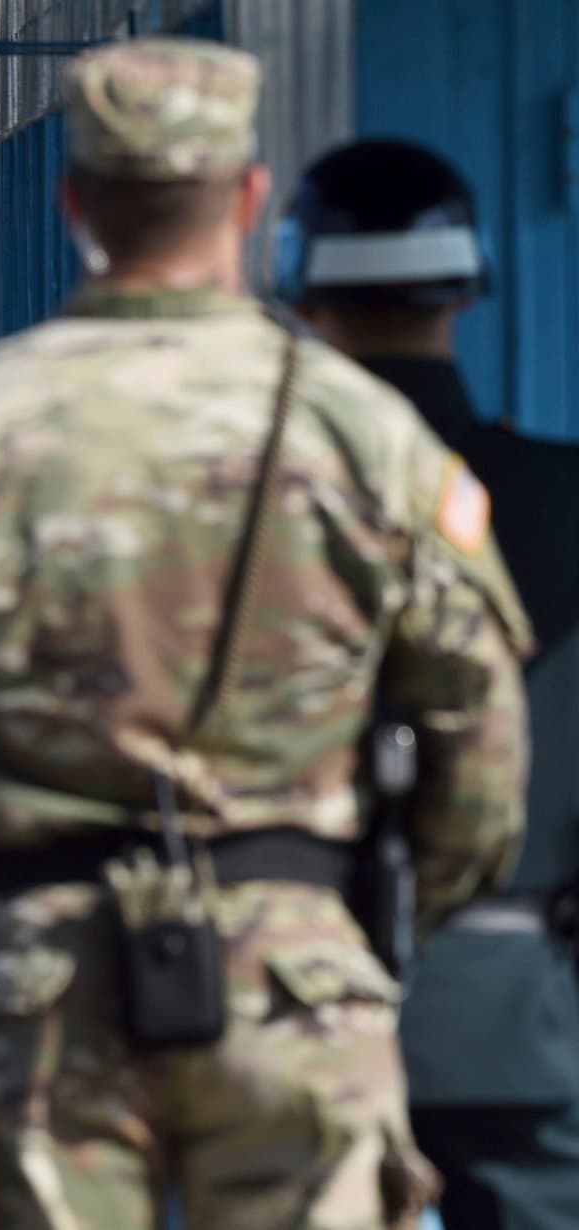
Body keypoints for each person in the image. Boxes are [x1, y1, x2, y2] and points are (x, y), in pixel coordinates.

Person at [0, 39, 532, 1228]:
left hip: (43, 983)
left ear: (75, 202)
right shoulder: (365, 432)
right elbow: (482, 741)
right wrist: (357, 936)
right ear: (250, 200)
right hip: (299, 993)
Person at [278, 138, 579, 1230]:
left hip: (272, 1013)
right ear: (471, 280)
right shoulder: (561, 500)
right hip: (522, 1008)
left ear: (298, 282)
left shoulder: (226, 521)